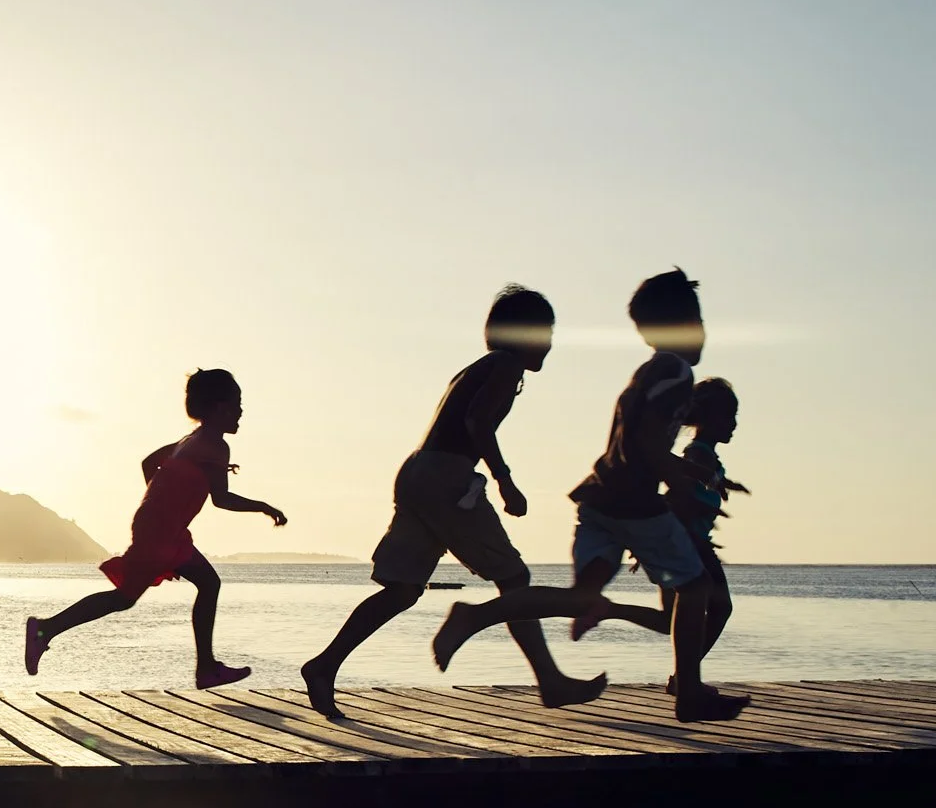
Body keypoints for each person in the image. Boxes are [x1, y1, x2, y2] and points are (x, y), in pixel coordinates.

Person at [431, 269, 750, 722]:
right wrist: (677, 483)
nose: (701, 331)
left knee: (582, 597)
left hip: (599, 498)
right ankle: (689, 691)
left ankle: (474, 616)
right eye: (694, 320)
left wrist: (694, 473)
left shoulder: (648, 373)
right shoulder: (677, 373)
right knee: (697, 586)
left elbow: (632, 443)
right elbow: (645, 443)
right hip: (634, 502)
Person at [300, 285, 607, 717]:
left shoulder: (479, 368)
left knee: (404, 589)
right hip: (445, 476)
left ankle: (323, 665)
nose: (551, 343)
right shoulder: (504, 364)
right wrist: (504, 480)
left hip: (419, 472)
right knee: (515, 578)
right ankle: (550, 681)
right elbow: (478, 422)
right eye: (548, 332)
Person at [26, 368, 286, 688]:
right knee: (181, 588)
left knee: (135, 596)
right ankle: (205, 668)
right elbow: (221, 499)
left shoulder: (190, 441)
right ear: (218, 407)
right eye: (237, 404)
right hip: (162, 529)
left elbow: (149, 463)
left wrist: (164, 495)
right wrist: (264, 507)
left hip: (158, 524)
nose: (241, 411)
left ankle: (47, 629)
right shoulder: (215, 446)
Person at [662, 376, 747, 692]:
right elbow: (677, 493)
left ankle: (684, 677)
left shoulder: (705, 456)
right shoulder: (699, 454)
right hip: (693, 544)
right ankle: (685, 678)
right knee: (718, 607)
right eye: (730, 418)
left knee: (714, 608)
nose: (734, 425)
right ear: (711, 419)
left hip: (698, 543)